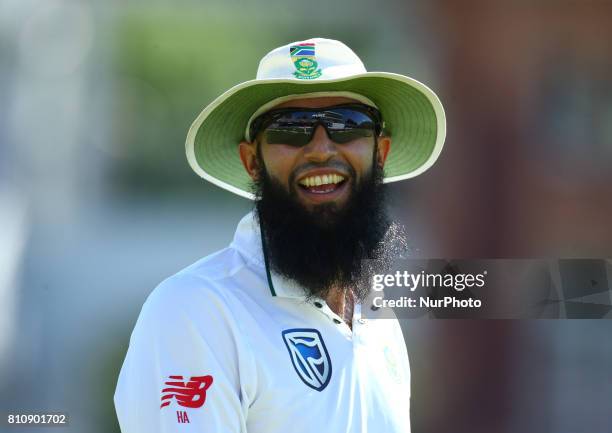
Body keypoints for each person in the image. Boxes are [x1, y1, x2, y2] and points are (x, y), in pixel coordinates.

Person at [114, 37, 446, 433]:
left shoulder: (379, 318)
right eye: (290, 129)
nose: (321, 149)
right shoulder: (195, 310)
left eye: (347, 124)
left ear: (381, 153)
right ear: (252, 161)